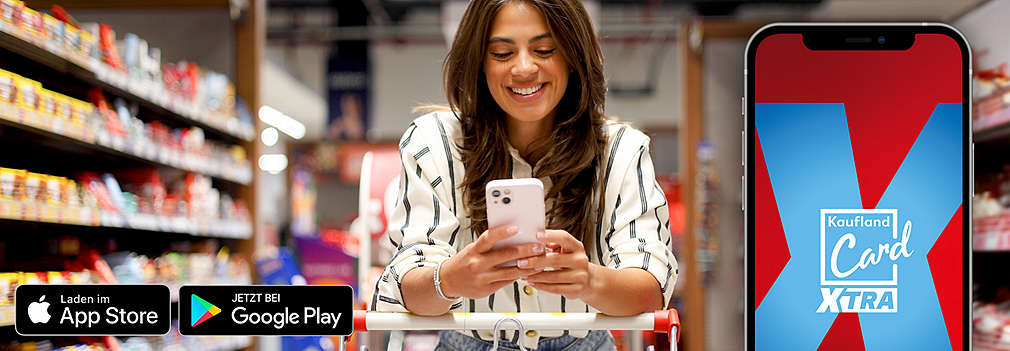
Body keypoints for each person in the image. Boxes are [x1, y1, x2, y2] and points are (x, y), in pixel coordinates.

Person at [371, 0, 678, 350]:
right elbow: (408, 287)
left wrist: (589, 280)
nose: (524, 68)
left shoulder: (621, 150)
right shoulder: (432, 144)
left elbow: (651, 288)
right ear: (478, 62)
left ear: (573, 56)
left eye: (544, 50)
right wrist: (451, 280)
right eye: (502, 53)